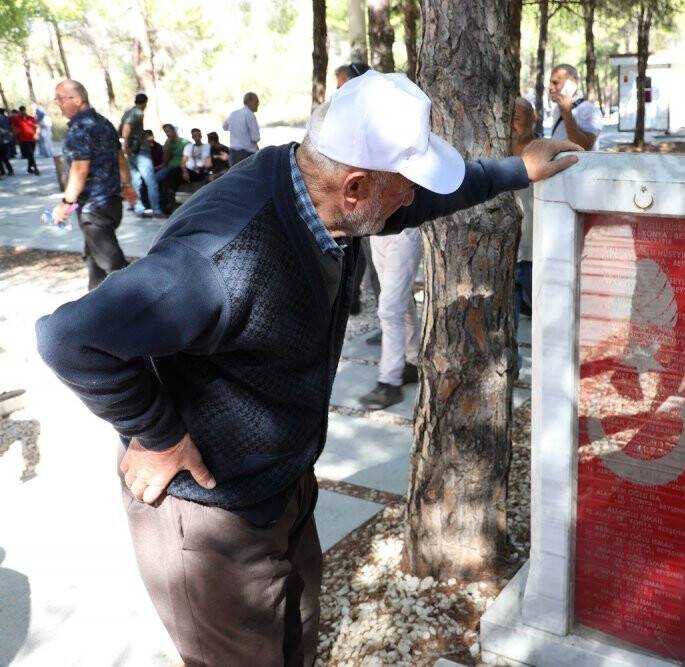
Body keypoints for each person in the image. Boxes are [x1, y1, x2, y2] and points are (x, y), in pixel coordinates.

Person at [35, 70, 578, 666]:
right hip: (213, 515)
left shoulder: (325, 195)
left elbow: (419, 200)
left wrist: (514, 169)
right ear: (354, 186)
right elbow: (70, 338)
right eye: (403, 185)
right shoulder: (222, 257)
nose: (410, 199)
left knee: (296, 644)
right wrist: (157, 434)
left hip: (280, 484)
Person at [49, 80, 136, 290]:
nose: (58, 104)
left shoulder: (80, 130)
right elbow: (120, 157)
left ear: (77, 100)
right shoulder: (103, 122)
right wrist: (126, 185)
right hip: (111, 204)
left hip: (94, 209)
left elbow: (80, 170)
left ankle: (139, 303)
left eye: (60, 98)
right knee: (94, 259)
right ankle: (94, 300)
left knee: (114, 266)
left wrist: (65, 204)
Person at [334, 61, 378, 317]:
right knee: (356, 257)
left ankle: (388, 330)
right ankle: (354, 300)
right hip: (352, 200)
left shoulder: (369, 116)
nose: (339, 92)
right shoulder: (344, 115)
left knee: (375, 267)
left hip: (371, 201)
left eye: (343, 86)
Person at [511, 98, 538, 374]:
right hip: (509, 255)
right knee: (508, 326)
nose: (513, 124)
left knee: (548, 322)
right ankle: (512, 369)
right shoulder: (498, 153)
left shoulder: (545, 152)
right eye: (508, 117)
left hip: (538, 256)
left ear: (534, 118)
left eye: (518, 117)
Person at [120, 93, 163, 217]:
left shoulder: (128, 112)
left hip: (132, 151)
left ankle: (139, 209)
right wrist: (126, 145)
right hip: (140, 150)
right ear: (145, 103)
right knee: (151, 182)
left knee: (136, 181)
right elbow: (127, 127)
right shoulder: (138, 113)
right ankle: (156, 209)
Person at [548, 64, 602, 151]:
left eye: (555, 83)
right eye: (550, 82)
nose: (550, 87)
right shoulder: (557, 108)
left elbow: (585, 147)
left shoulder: (588, 109)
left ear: (571, 84)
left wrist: (567, 114)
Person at [155, 123, 188, 210]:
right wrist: (167, 146)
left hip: (178, 168)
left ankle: (166, 204)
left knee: (163, 178)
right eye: (165, 132)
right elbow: (165, 160)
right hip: (169, 166)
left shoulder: (185, 143)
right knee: (156, 178)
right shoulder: (168, 143)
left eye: (168, 131)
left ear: (174, 131)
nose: (167, 134)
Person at [223, 92, 260, 166]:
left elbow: (224, 127)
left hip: (233, 152)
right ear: (249, 101)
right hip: (248, 153)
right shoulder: (250, 115)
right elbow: (255, 138)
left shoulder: (234, 113)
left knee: (235, 175)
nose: (258, 105)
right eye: (256, 102)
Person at [11, 107, 40, 175]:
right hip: (23, 139)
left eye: (24, 111)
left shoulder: (31, 118)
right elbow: (13, 127)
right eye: (21, 111)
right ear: (19, 111)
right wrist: (16, 135)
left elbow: (37, 126)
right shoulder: (16, 119)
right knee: (30, 153)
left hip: (32, 138)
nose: (23, 112)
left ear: (25, 110)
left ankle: (29, 168)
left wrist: (37, 134)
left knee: (31, 154)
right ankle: (36, 168)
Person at [0, 109, 14, 177]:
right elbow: (10, 127)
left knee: (2, 157)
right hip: (6, 139)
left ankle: (2, 172)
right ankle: (10, 170)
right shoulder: (6, 118)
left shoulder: (1, 118)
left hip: (1, 139)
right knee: (4, 157)